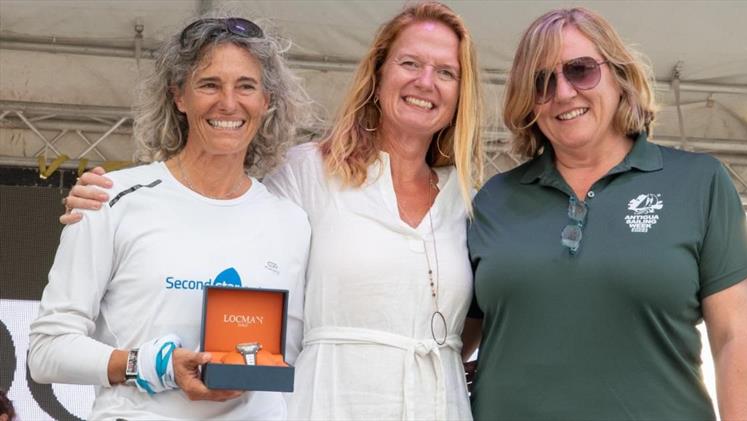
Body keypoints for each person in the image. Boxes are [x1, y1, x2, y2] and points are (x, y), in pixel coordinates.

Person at [59, 2, 482, 420]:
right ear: (377, 74)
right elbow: (221, 211)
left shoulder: (466, 199)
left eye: (446, 72)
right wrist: (110, 198)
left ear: (463, 91)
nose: (426, 82)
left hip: (437, 405)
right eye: (410, 63)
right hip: (328, 402)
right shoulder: (308, 171)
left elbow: (479, 315)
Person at [462, 7, 747, 420]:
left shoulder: (699, 183)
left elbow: (737, 341)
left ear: (620, 77)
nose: (564, 92)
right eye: (542, 82)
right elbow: (445, 340)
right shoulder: (492, 200)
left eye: (580, 70)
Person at [29, 16, 311, 420]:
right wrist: (154, 366)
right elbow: (47, 350)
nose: (228, 103)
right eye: (209, 84)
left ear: (267, 100)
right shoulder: (111, 199)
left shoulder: (291, 221)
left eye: (246, 86)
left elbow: (293, 356)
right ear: (178, 96)